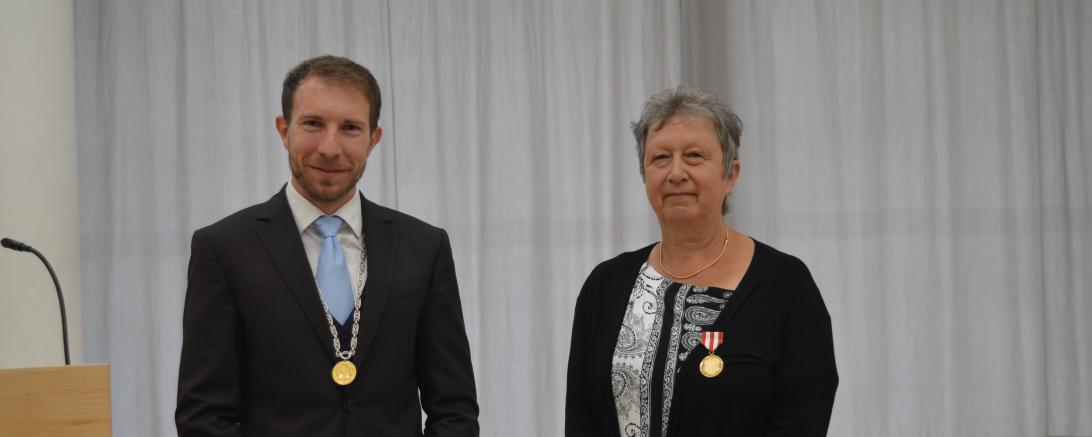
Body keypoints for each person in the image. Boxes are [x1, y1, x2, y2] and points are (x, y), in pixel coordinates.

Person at [176, 55, 479, 436]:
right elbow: (203, 416)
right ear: (283, 130)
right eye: (313, 124)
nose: (330, 147)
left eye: (350, 127)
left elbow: (454, 408)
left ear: (374, 138)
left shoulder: (424, 247)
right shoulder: (223, 249)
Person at [565, 86, 838, 436]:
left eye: (694, 156)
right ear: (644, 174)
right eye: (660, 158)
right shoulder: (605, 286)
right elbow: (581, 420)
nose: (676, 172)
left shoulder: (786, 286)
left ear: (731, 175)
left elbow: (802, 419)